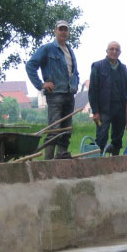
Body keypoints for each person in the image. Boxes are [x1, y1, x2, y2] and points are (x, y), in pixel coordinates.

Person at [25, 20, 79, 159]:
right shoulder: (48, 49)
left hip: (69, 94)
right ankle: (48, 162)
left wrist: (76, 84)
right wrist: (41, 84)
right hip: (55, 95)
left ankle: (61, 158)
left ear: (68, 32)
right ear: (55, 31)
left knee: (66, 130)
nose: (63, 32)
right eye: (60, 29)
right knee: (54, 130)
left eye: (65, 29)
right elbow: (30, 65)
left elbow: (75, 72)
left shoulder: (69, 50)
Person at [88, 41, 127, 155]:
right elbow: (93, 90)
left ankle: (114, 162)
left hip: (119, 109)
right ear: (107, 51)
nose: (114, 51)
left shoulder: (123, 68)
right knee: (101, 137)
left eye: (117, 49)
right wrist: (95, 111)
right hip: (103, 110)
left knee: (117, 138)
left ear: (120, 52)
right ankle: (99, 163)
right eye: (112, 49)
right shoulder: (98, 66)